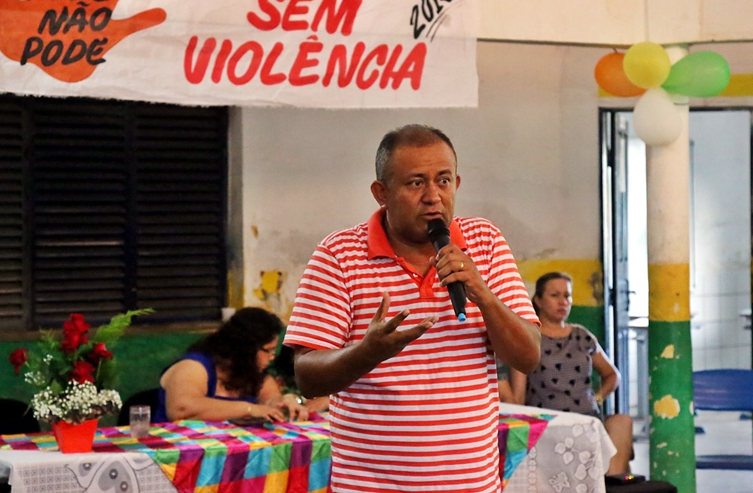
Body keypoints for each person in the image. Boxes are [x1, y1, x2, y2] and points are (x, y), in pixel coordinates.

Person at [284, 124, 541, 493]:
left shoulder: (485, 242)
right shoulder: (338, 256)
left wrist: (483, 295)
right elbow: (307, 377)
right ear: (381, 193)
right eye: (416, 183)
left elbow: (528, 356)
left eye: (444, 181)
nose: (433, 197)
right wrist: (366, 353)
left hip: (471, 484)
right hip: (372, 486)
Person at [510, 271, 634, 476]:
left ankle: (611, 487)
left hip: (588, 421)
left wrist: (597, 397)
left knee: (623, 422)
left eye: (567, 296)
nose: (562, 302)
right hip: (551, 425)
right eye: (555, 295)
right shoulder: (529, 338)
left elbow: (612, 375)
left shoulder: (581, 335)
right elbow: (518, 398)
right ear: (538, 300)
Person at [155, 307, 307, 423]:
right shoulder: (194, 366)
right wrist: (249, 409)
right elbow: (181, 408)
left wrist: (283, 402)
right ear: (246, 348)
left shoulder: (252, 373)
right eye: (268, 351)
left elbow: (271, 398)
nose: (272, 358)